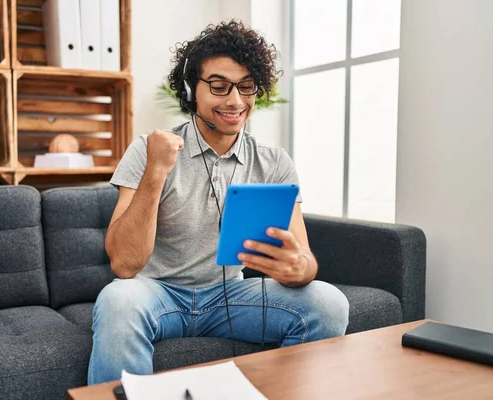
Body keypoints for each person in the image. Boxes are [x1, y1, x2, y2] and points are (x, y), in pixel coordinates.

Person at [88, 20, 349, 384]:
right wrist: (156, 171)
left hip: (231, 295)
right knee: (118, 300)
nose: (235, 101)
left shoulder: (274, 162)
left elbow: (305, 261)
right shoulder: (148, 150)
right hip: (156, 294)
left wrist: (298, 268)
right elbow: (125, 264)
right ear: (190, 89)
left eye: (246, 87)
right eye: (219, 86)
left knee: (328, 303)